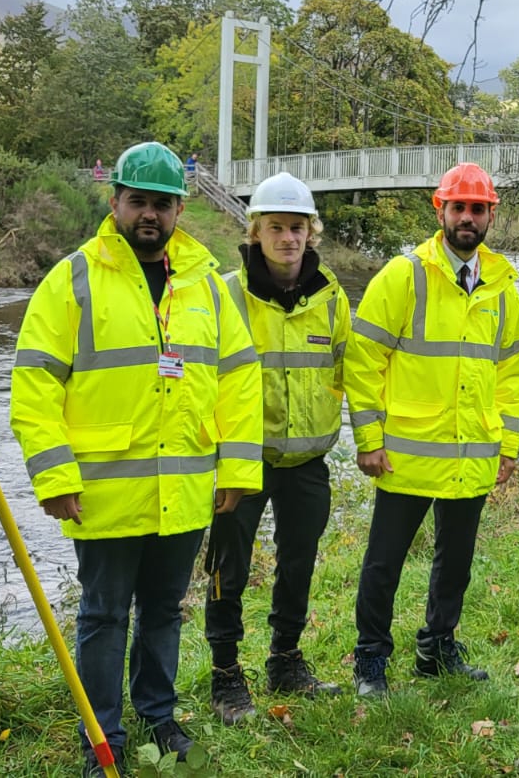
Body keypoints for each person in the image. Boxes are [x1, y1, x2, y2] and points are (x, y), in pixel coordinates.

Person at [10, 141, 263, 775]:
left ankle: (158, 717)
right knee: (102, 613)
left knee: (163, 611)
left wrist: (235, 469)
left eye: (163, 204)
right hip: (103, 489)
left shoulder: (207, 284)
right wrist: (53, 473)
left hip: (183, 488)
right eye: (138, 201)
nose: (150, 214)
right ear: (116, 202)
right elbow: (35, 382)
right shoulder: (72, 278)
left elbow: (238, 377)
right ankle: (104, 737)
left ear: (180, 209)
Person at [345, 161, 519, 696]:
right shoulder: (405, 276)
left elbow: (514, 372)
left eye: (477, 209)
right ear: (440, 210)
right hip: (407, 455)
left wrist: (508, 444)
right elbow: (363, 360)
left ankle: (437, 647)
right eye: (459, 207)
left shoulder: (501, 286)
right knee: (384, 563)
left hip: (472, 452)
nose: (467, 218)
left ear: (490, 214)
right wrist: (369, 440)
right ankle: (370, 659)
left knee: (456, 564)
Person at [203, 172, 350, 724]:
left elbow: (345, 366)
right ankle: (225, 674)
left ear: (310, 232)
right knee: (228, 567)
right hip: (241, 461)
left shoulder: (331, 295)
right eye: (275, 227)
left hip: (307, 460)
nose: (287, 238)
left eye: (296, 227)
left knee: (298, 562)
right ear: (255, 230)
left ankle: (285, 660)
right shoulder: (224, 292)